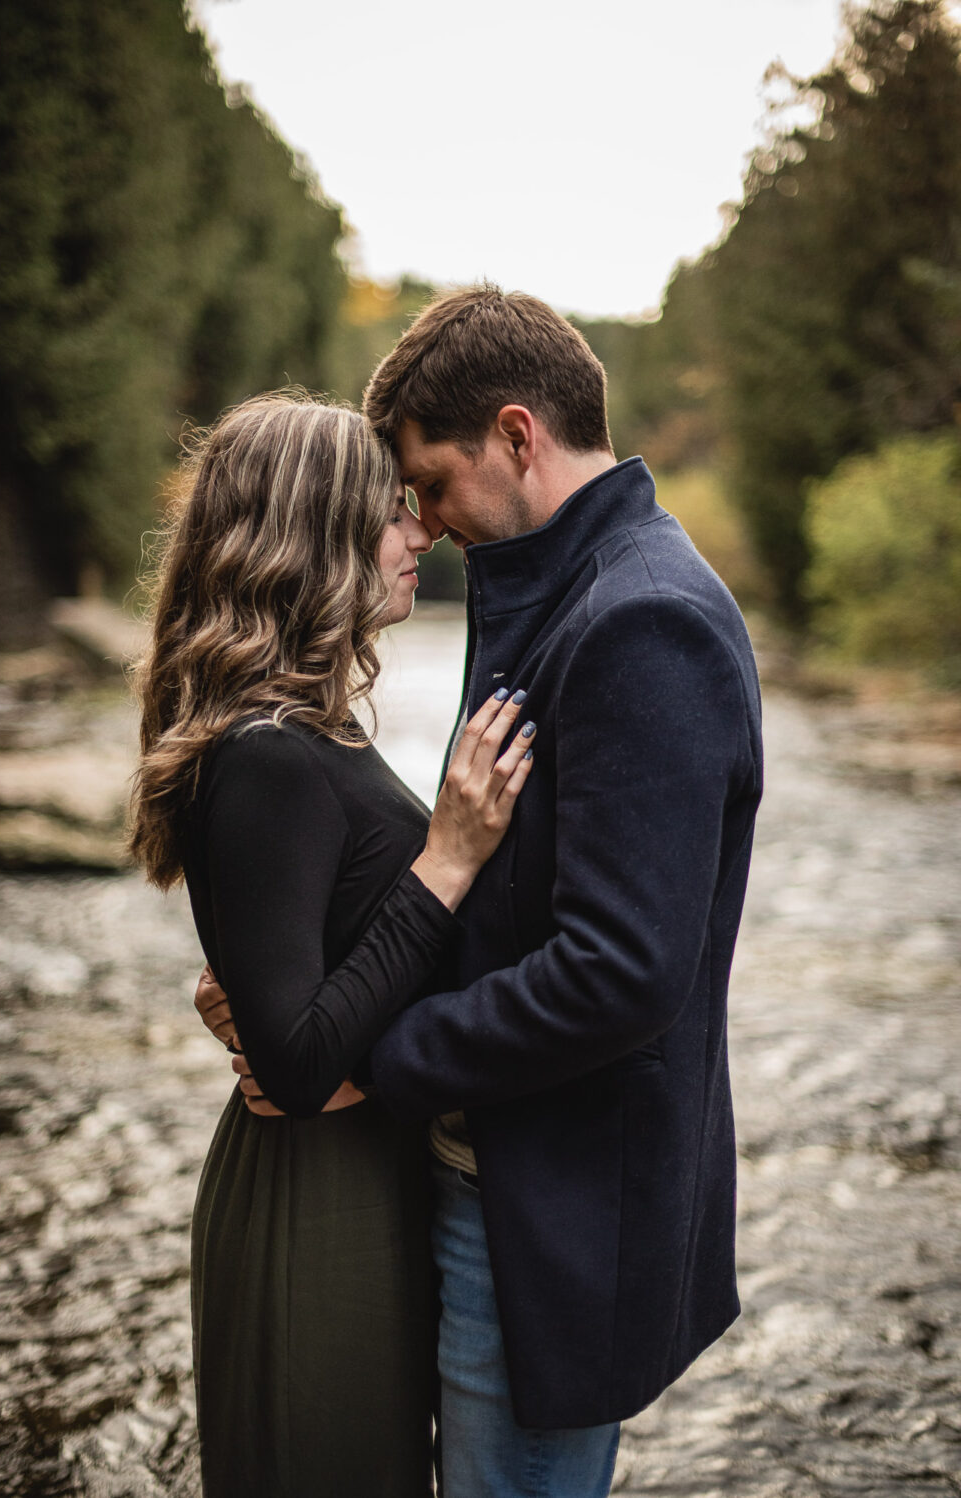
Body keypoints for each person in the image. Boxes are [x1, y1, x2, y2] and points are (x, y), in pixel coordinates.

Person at [199, 285, 764, 1498]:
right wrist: (296, 975)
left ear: (516, 434)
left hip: (545, 1212)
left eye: (431, 484)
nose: (426, 523)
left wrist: (372, 1057)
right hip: (487, 1177)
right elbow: (506, 903)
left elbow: (616, 972)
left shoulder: (640, 620)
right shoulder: (564, 591)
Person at [129, 392, 539, 1498]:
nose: (420, 532)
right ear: (316, 534)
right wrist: (445, 860)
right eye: (393, 512)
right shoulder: (267, 750)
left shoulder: (305, 727)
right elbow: (301, 1063)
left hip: (362, 1178)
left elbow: (300, 975)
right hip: (315, 1201)